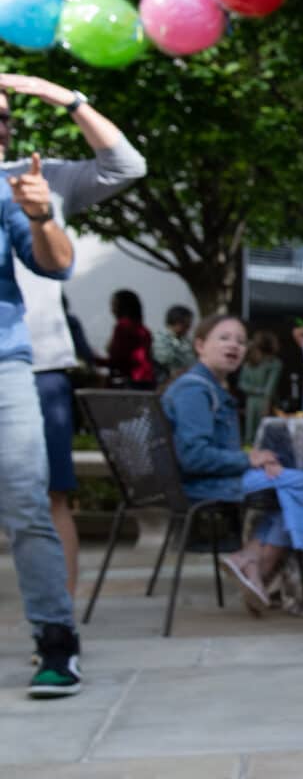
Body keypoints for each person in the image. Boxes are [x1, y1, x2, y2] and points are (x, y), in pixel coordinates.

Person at [5, 77, 148, 600]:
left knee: (50, 498)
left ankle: (59, 618)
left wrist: (62, 97)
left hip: (34, 368)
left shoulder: (39, 176)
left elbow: (127, 166)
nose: (0, 126)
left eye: (4, 116)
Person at [159, 314, 303, 611]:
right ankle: (256, 564)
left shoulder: (210, 386)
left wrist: (256, 461)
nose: (234, 345)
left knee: (288, 488)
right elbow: (194, 457)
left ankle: (251, 562)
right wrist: (248, 459)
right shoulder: (194, 390)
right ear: (200, 345)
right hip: (203, 484)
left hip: (214, 477)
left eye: (240, 341)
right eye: (224, 338)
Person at [0, 148, 83, 696]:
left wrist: (42, 216)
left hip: (5, 364)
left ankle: (57, 642)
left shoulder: (7, 189)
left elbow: (56, 264)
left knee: (27, 503)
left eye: (5, 118)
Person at [102, 288, 154, 390]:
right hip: (146, 379)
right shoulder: (143, 329)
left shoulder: (123, 327)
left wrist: (94, 359)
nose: (111, 310)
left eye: (114, 305)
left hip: (130, 380)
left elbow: (119, 359)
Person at [239, 329, 284, 445]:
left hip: (251, 401)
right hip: (265, 402)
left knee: (250, 435)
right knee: (264, 435)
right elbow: (270, 389)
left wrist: (254, 390)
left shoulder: (249, 363)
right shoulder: (274, 364)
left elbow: (242, 384)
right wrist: (264, 399)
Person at [152, 303, 196, 385]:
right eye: (187, 323)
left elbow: (192, 362)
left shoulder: (186, 341)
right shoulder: (160, 338)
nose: (190, 326)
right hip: (166, 383)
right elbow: (164, 358)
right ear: (177, 321)